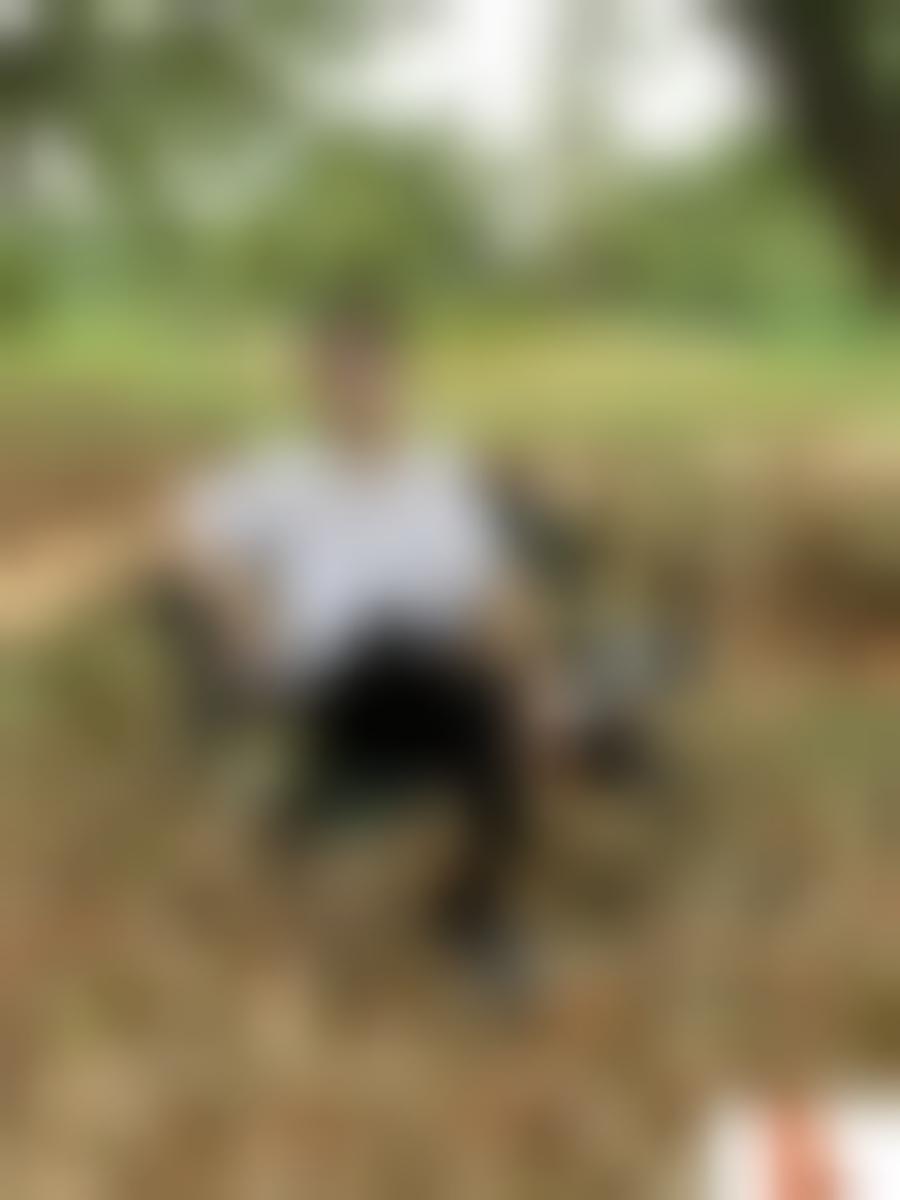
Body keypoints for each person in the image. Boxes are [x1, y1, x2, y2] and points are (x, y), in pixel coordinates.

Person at [168, 295, 533, 961]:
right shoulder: (284, 472)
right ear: (316, 385)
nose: (357, 391)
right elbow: (188, 529)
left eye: (370, 373)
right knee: (425, 665)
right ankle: (471, 913)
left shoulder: (438, 474)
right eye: (340, 375)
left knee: (486, 707)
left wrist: (516, 646)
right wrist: (241, 613)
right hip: (335, 675)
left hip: (435, 676)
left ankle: (472, 906)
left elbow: (487, 585)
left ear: (399, 377)